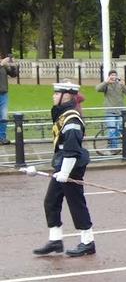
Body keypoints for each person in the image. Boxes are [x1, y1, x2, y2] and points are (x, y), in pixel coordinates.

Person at [33, 82, 96, 257]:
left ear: (66, 96)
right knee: (51, 201)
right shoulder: (64, 114)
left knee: (76, 203)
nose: (53, 96)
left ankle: (88, 242)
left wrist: (65, 172)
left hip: (72, 166)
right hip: (62, 165)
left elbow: (72, 149)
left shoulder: (72, 120)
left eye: (56, 93)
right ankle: (55, 240)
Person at [95, 69, 126, 149]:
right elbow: (97, 89)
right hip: (110, 111)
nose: (113, 77)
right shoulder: (106, 86)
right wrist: (106, 82)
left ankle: (124, 146)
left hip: (120, 111)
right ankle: (114, 147)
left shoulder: (120, 85)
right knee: (112, 129)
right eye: (112, 75)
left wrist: (124, 85)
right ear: (109, 76)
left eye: (115, 75)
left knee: (121, 128)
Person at [0, 53, 18, 145]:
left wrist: (13, 66)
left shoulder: (3, 66)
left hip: (3, 94)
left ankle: (2, 137)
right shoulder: (1, 65)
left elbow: (14, 75)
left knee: (3, 117)